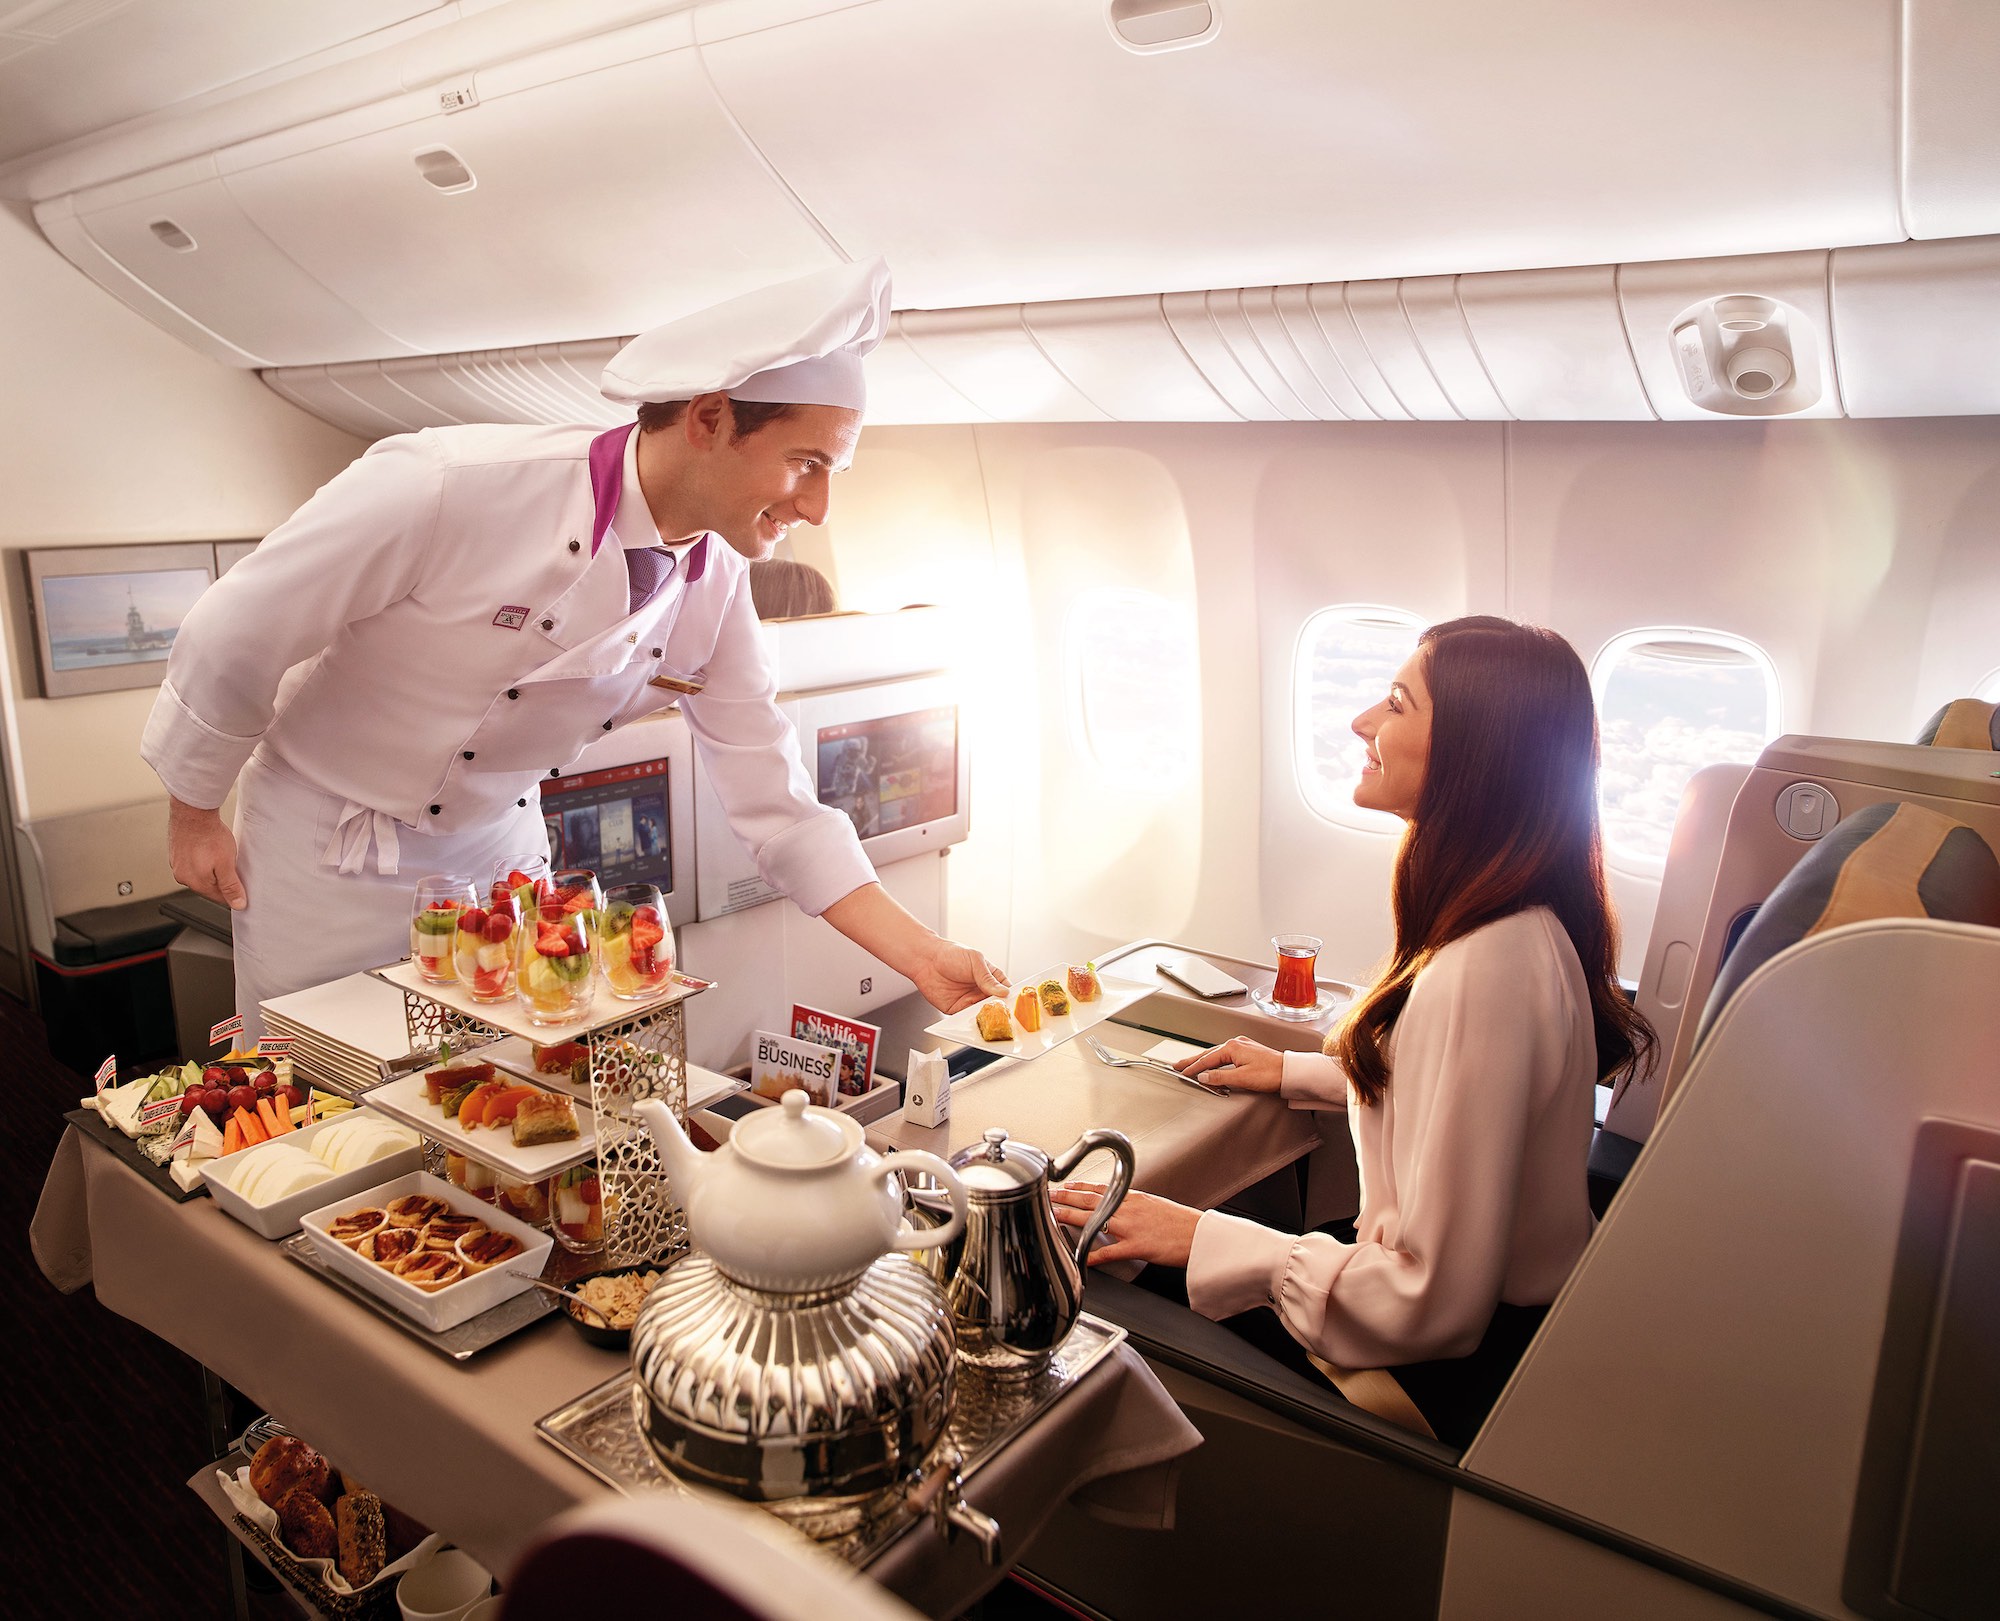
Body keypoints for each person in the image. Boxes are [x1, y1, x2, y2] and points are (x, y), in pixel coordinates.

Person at [143, 260, 1006, 1033]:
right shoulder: (448, 486)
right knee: (321, 1100)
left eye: (833, 474)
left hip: (494, 856)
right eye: (805, 463)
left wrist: (923, 954)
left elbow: (775, 800)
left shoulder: (714, 580)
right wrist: (193, 809)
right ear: (709, 418)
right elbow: (236, 628)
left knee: (491, 1104)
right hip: (331, 851)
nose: (818, 509)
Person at [1054, 616, 1655, 1445]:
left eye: (1397, 703)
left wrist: (1200, 1235)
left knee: (1096, 1276)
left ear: (1471, 756)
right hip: (1498, 1323)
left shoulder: (1480, 969)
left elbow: (1429, 1304)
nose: (1361, 721)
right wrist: (1299, 1072)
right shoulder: (1525, 924)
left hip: (1438, 1370)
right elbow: (1460, 1091)